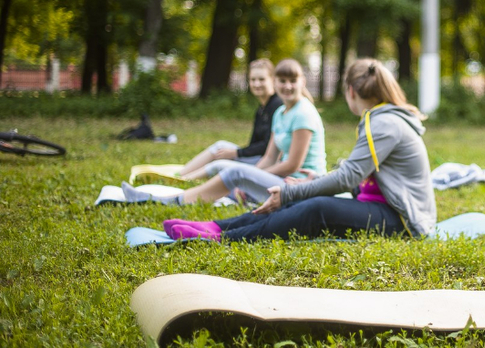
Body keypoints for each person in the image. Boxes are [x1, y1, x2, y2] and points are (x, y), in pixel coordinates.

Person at [160, 58, 436, 242]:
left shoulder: (384, 123)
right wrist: (312, 182)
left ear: (350, 91)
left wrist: (293, 191)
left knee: (316, 207)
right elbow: (363, 178)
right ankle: (218, 226)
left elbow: (349, 177)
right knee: (303, 198)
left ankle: (223, 238)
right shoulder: (381, 119)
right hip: (384, 207)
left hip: (404, 221)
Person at [121, 58, 326, 205]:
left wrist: (251, 175)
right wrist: (252, 175)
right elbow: (270, 156)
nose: (287, 86)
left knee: (233, 174)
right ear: (276, 82)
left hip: (300, 186)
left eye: (293, 81)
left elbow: (292, 165)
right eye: (283, 81)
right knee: (226, 185)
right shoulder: (281, 112)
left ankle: (167, 200)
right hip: (283, 180)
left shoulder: (303, 113)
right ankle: (166, 198)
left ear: (302, 82)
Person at [176, 59, 283, 181]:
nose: (257, 84)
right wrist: (237, 153)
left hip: (265, 163)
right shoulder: (261, 109)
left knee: (219, 155)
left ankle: (183, 178)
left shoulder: (277, 106)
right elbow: (253, 144)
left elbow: (269, 147)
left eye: (261, 79)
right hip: (255, 158)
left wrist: (236, 153)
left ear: (272, 79)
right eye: (253, 80)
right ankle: (182, 174)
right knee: (220, 147)